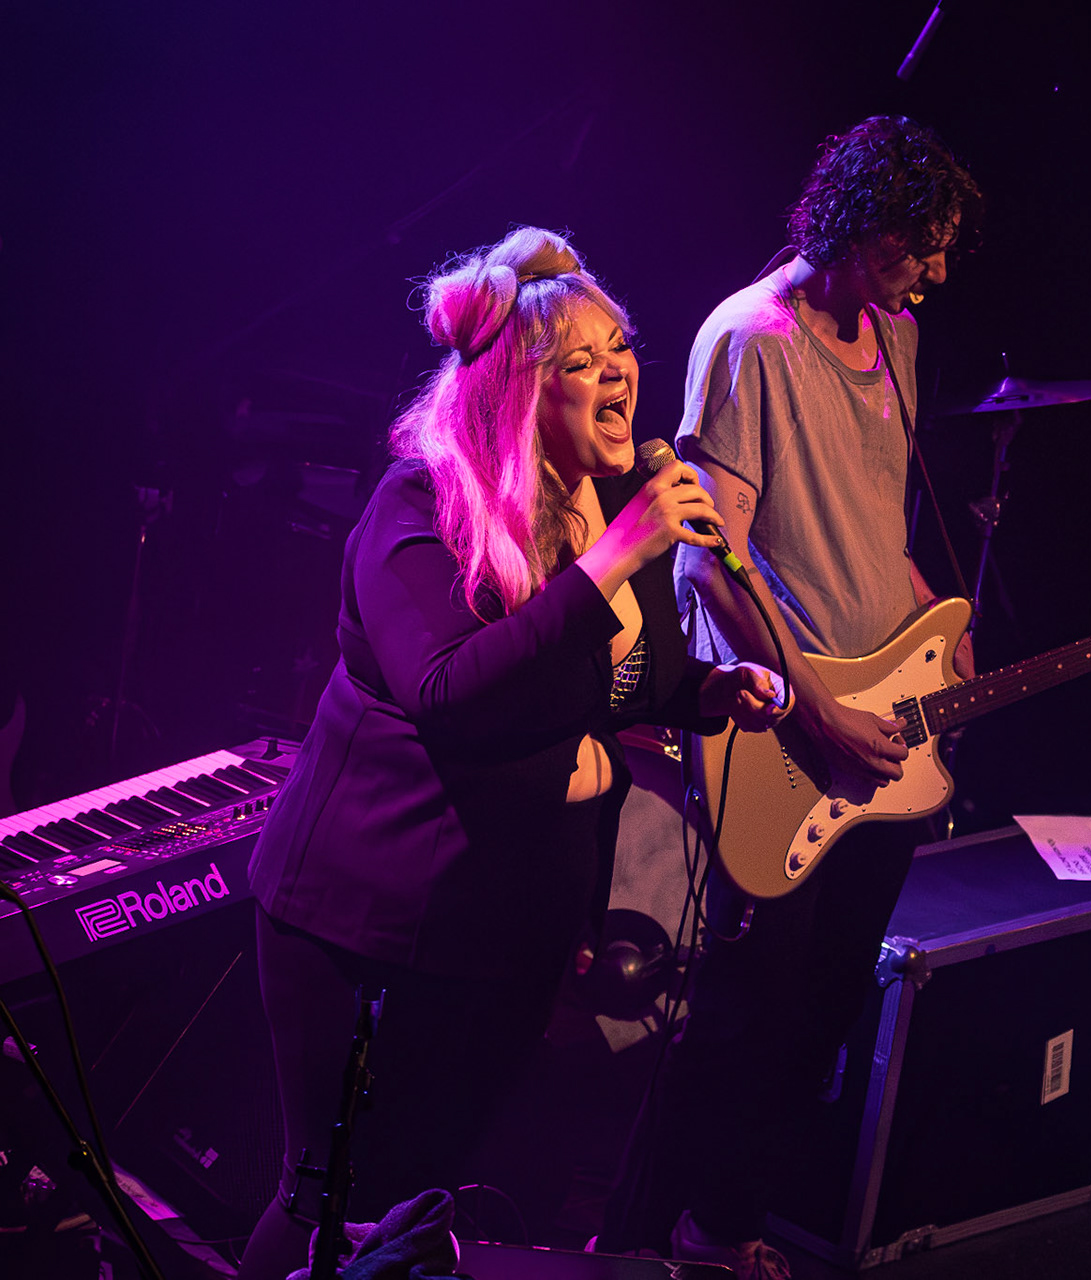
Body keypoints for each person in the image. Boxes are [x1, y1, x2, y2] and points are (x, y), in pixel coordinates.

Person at [237, 228, 786, 1280]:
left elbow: (633, 675)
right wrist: (616, 562)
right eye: (580, 363)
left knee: (420, 1201)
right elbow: (448, 691)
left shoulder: (614, 505)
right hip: (369, 911)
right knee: (330, 1197)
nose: (619, 372)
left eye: (619, 346)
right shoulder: (419, 507)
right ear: (519, 396)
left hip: (506, 924)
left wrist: (712, 693)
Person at [596, 116, 982, 1277]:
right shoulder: (749, 340)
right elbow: (713, 557)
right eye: (921, 246)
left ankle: (728, 1221)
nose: (936, 272)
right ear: (861, 229)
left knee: (823, 1007)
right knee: (745, 1007)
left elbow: (875, 519)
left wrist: (936, 621)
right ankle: (635, 1240)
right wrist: (817, 707)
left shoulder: (895, 335)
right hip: (789, 728)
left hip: (888, 720)